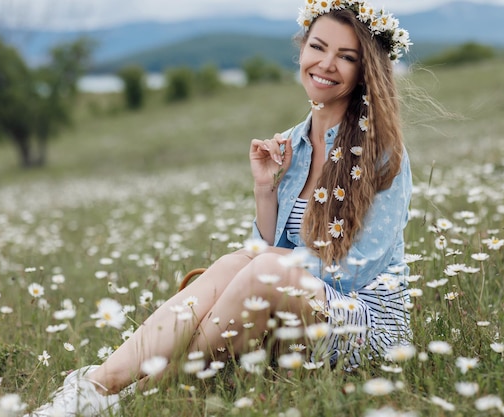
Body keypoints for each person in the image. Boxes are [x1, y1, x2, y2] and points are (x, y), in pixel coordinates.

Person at [26, 1, 413, 415]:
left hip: (364, 326)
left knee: (259, 264)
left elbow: (358, 271)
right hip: (295, 316)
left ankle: (141, 393)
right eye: (318, 47)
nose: (326, 63)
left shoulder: (382, 153)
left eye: (346, 56)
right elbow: (261, 258)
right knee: (241, 261)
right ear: (302, 50)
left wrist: (271, 262)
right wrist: (265, 190)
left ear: (364, 71)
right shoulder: (290, 146)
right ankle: (101, 384)